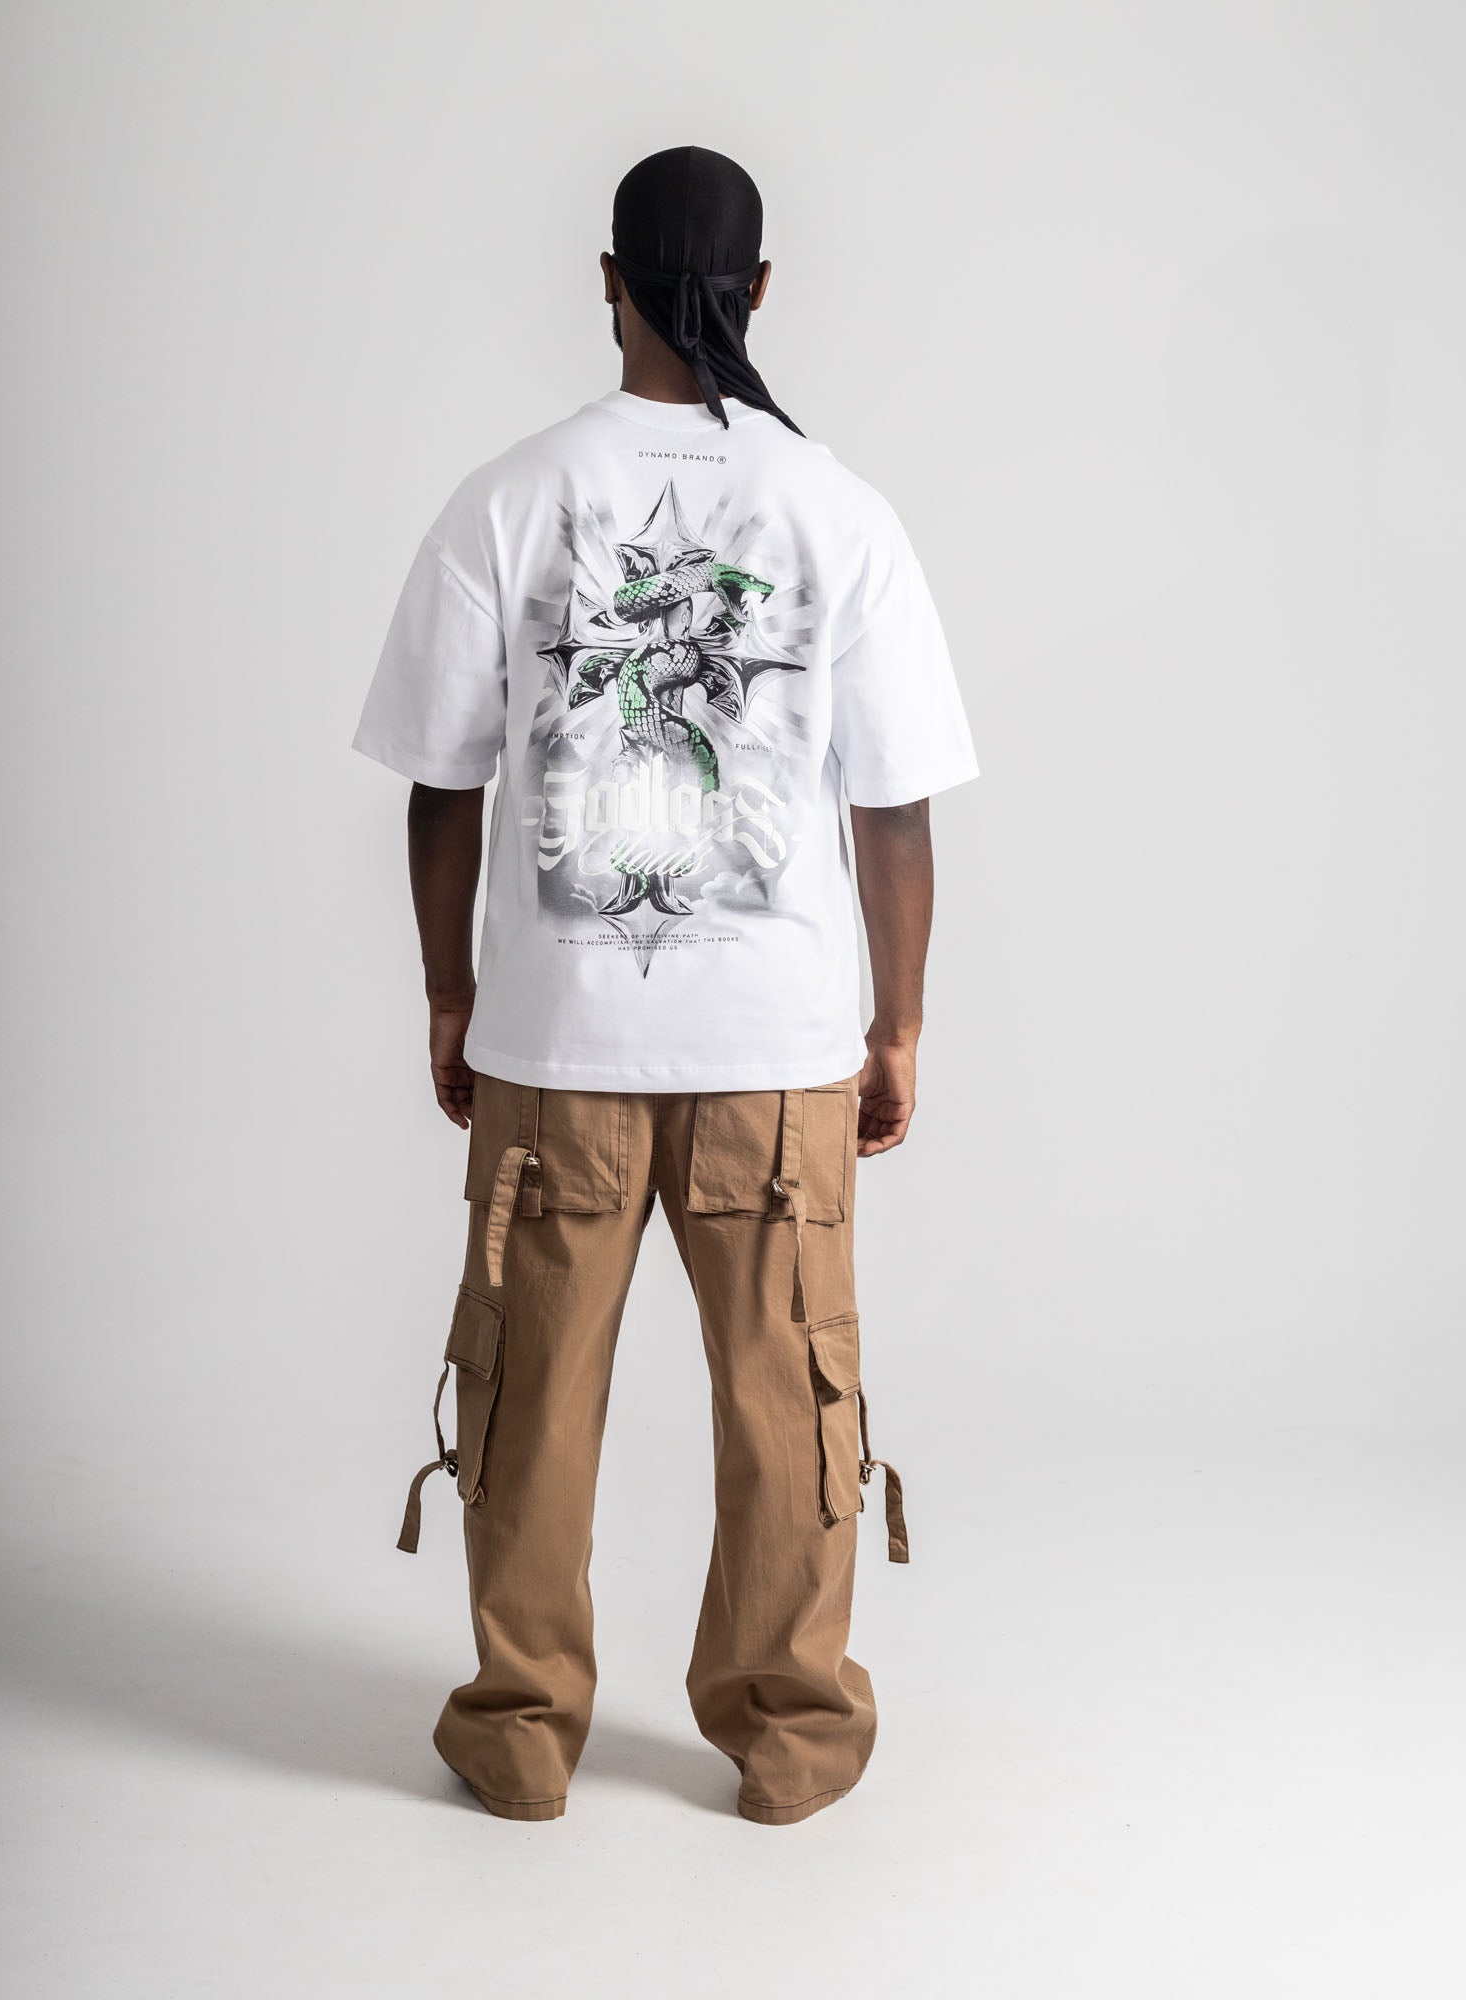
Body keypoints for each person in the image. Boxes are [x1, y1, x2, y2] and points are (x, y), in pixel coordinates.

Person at [354, 145, 978, 1826]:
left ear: (606, 279)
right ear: (760, 290)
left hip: (556, 1045)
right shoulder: (840, 509)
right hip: (778, 1057)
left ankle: (519, 1731)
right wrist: (898, 1026)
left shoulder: (507, 498)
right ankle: (790, 1737)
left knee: (528, 1405)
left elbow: (441, 786)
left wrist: (449, 998)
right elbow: (895, 806)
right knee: (793, 1405)